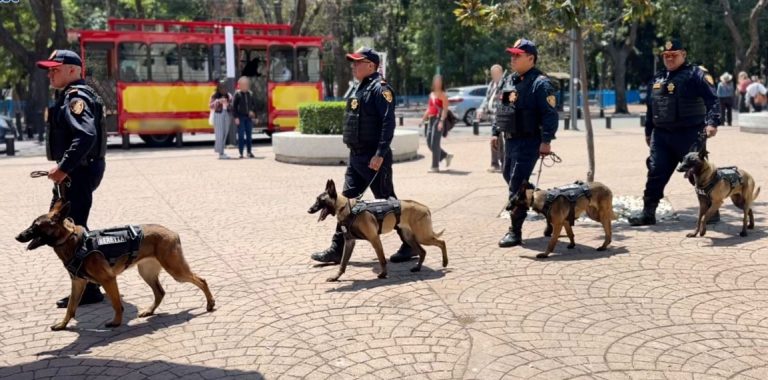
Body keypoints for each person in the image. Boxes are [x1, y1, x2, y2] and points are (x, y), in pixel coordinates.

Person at [311, 47, 415, 264]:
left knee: (389, 204)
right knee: (344, 204)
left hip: (374, 160)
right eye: (353, 62)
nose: (353, 66)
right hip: (356, 158)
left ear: (371, 65)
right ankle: (337, 248)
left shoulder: (381, 89)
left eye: (358, 62)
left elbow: (388, 124)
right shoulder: (361, 88)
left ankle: (410, 244)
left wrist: (379, 154)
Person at [36, 50, 107, 308]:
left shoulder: (76, 97)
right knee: (72, 229)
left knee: (70, 232)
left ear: (73, 70)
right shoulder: (71, 95)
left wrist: (63, 168)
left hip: (78, 174)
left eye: (55, 68)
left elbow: (85, 136)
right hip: (77, 173)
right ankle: (90, 283)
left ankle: (89, 288)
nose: (50, 73)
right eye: (49, 69)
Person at [628, 39, 720, 226]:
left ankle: (711, 209)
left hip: (690, 134)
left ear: (683, 55)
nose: (669, 58)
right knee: (655, 172)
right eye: (666, 56)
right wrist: (648, 132)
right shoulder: (658, 78)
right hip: (661, 136)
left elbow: (713, 101)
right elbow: (650, 108)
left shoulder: (696, 74)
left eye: (674, 55)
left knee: (698, 174)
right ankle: (648, 212)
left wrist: (712, 123)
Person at [491, 39, 559, 248]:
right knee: (509, 177)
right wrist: (495, 132)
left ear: (531, 58)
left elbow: (550, 115)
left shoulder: (541, 83)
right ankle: (548, 207)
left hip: (530, 142)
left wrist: (546, 141)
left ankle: (515, 230)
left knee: (516, 184)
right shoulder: (511, 80)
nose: (513, 58)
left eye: (517, 55)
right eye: (512, 55)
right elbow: (502, 108)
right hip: (510, 140)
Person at [422, 74, 454, 173]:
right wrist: (423, 118)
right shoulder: (431, 94)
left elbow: (445, 110)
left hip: (438, 119)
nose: (437, 83)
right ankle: (445, 155)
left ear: (441, 83)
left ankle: (435, 166)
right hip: (430, 120)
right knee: (429, 143)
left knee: (435, 144)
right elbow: (429, 108)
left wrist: (441, 121)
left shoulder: (443, 95)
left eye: (439, 81)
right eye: (436, 81)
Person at [478, 64, 506, 173]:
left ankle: (501, 163)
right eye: (493, 73)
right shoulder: (491, 84)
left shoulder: (504, 85)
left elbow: (504, 101)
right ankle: (496, 163)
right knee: (495, 140)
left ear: (501, 73)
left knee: (498, 140)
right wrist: (481, 109)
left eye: (497, 73)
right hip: (492, 117)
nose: (495, 75)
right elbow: (487, 99)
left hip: (500, 117)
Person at [233, 76, 258, 158]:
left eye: (246, 84)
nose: (245, 86)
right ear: (239, 85)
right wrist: (236, 117)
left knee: (249, 135)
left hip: (249, 118)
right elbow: (234, 107)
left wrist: (255, 115)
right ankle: (240, 153)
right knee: (240, 135)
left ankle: (249, 152)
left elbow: (254, 106)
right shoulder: (237, 94)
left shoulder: (250, 93)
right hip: (240, 117)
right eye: (242, 84)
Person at [210, 80, 232, 159]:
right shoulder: (214, 95)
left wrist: (228, 104)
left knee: (225, 133)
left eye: (225, 87)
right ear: (218, 88)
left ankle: (222, 152)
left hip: (226, 115)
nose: (223, 89)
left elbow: (232, 107)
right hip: (218, 115)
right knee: (219, 134)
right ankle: (220, 153)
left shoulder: (229, 95)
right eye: (221, 87)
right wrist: (218, 101)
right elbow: (211, 106)